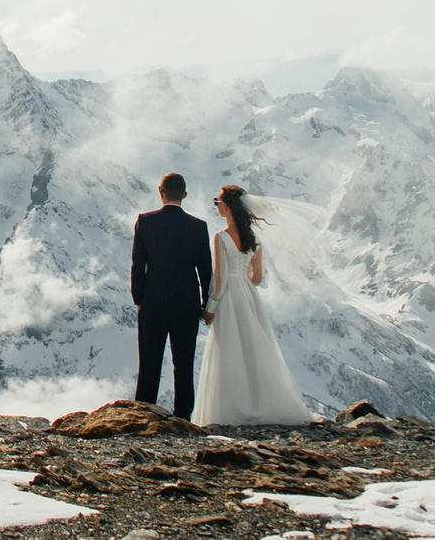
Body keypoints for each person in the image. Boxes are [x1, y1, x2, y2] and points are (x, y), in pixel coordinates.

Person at [190, 183, 317, 426]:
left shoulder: (221, 237)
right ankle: (260, 403)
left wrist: (209, 310)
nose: (216, 206)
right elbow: (257, 278)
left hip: (229, 300)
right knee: (253, 349)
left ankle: (232, 409)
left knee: (230, 350)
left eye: (217, 202)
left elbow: (220, 280)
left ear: (226, 207)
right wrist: (244, 280)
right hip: (248, 296)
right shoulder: (254, 238)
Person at [129, 172, 214, 414]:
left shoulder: (145, 221)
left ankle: (143, 415)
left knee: (149, 365)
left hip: (152, 303)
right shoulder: (199, 227)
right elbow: (205, 271)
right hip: (187, 305)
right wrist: (206, 304)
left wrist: (139, 300)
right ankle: (183, 419)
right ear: (184, 195)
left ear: (160, 192)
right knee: (184, 366)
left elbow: (138, 264)